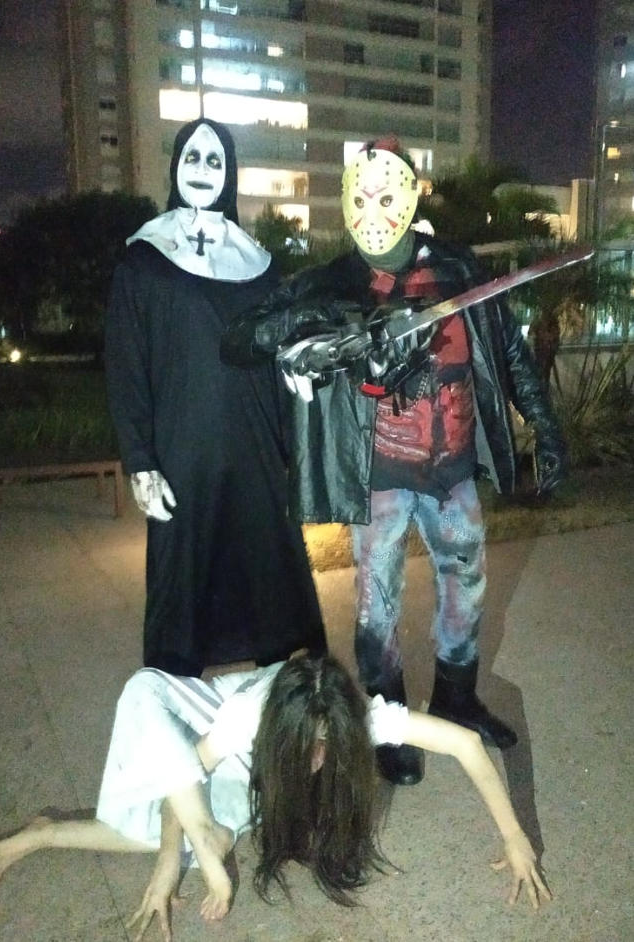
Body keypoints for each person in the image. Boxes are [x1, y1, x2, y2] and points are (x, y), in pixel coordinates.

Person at [221, 137, 568, 786]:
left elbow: (509, 353)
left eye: (386, 194)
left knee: (465, 588)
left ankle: (457, 701)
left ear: (411, 195)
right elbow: (240, 341)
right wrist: (319, 319)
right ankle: (388, 723)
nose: (372, 209)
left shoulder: (459, 269)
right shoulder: (331, 280)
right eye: (360, 196)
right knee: (376, 605)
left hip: (452, 470)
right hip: (379, 474)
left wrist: (545, 428)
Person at [0, 655, 550, 941]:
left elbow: (465, 744)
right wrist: (168, 864)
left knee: (197, 830)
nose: (318, 759)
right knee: (167, 822)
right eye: (307, 748)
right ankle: (66, 834)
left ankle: (51, 832)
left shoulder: (359, 719)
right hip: (186, 720)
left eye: (327, 746)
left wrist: (514, 837)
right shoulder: (244, 719)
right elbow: (179, 778)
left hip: (246, 768)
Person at [105, 117, 325, 675]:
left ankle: (277, 705)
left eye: (215, 160)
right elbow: (126, 363)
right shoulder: (145, 260)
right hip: (184, 455)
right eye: (192, 157)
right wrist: (140, 461)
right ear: (175, 166)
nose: (202, 169)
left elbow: (277, 353)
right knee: (181, 591)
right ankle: (176, 698)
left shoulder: (259, 265)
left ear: (230, 173)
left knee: (269, 583)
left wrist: (298, 387)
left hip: (255, 452)